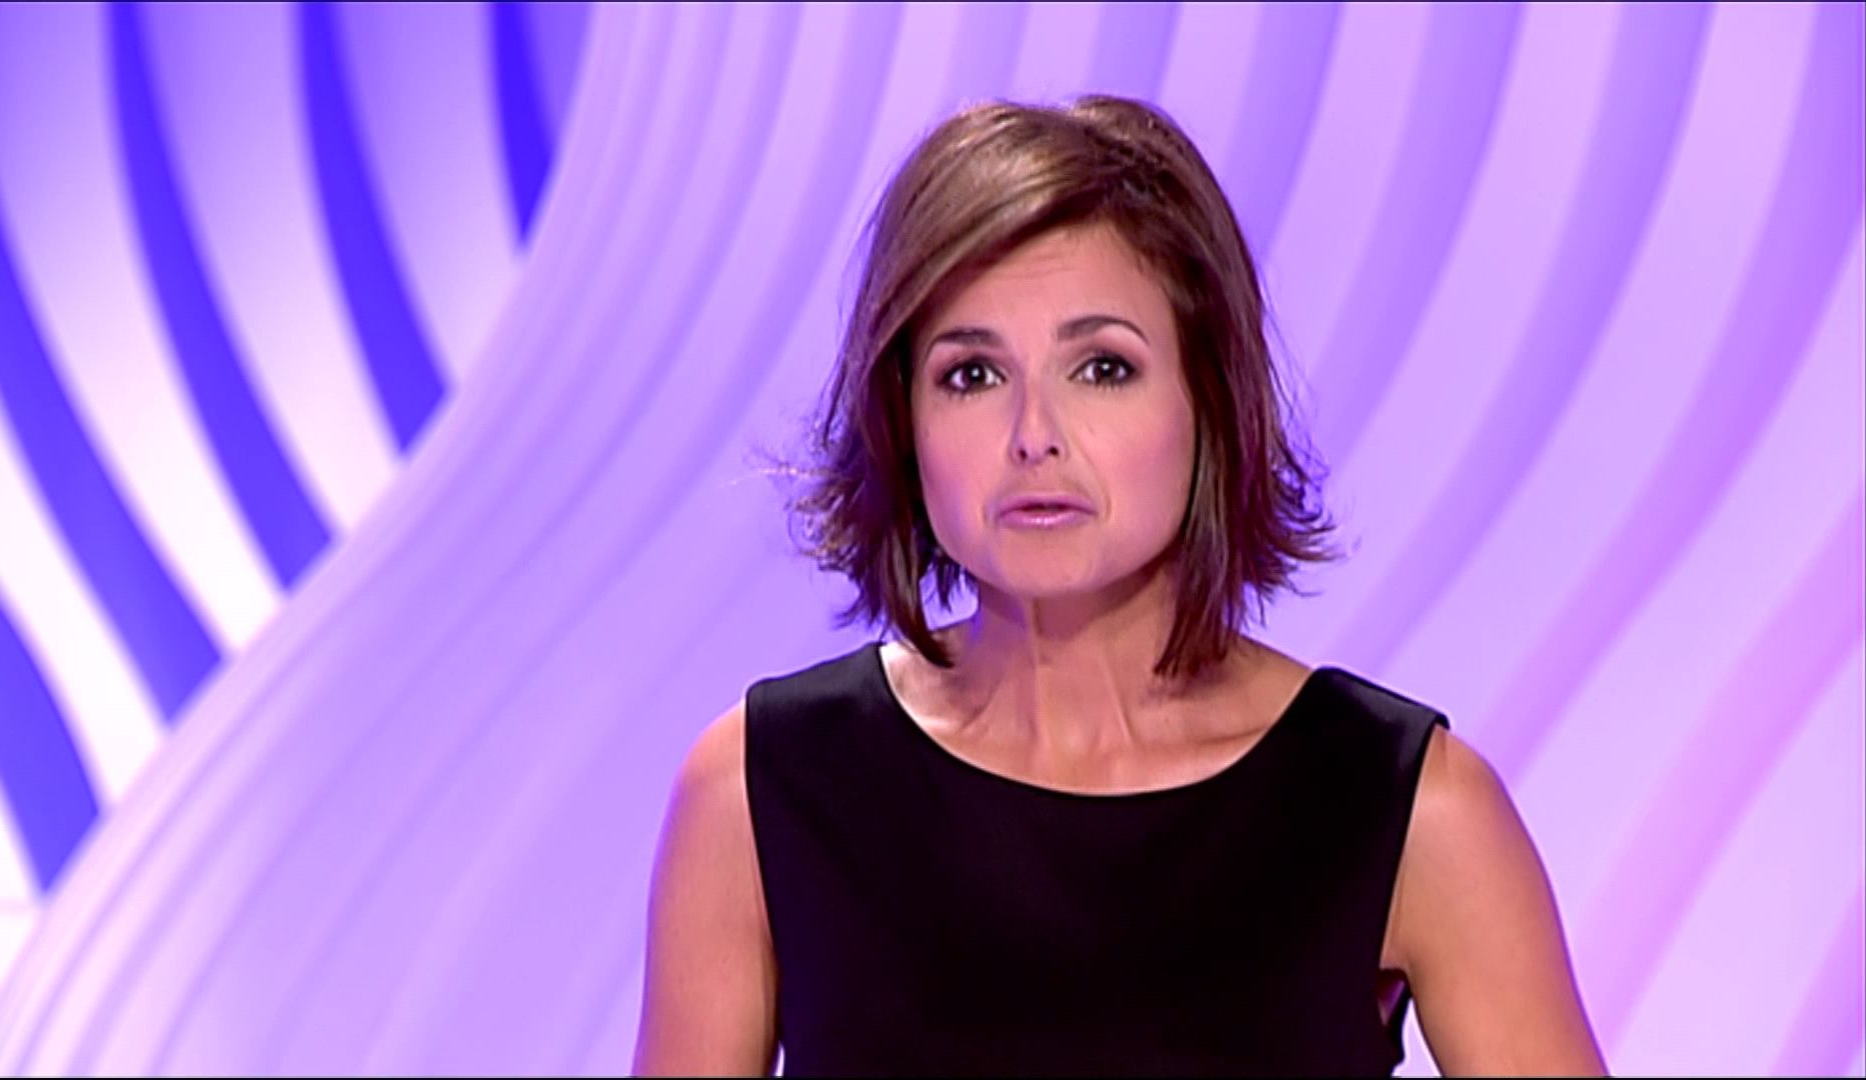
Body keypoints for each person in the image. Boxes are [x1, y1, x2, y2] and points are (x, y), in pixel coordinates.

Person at [633, 95, 1606, 1077]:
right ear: (902, 419)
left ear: (1209, 399)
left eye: (1102, 368)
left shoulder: (1408, 807)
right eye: (971, 375)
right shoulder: (757, 791)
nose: (1034, 436)